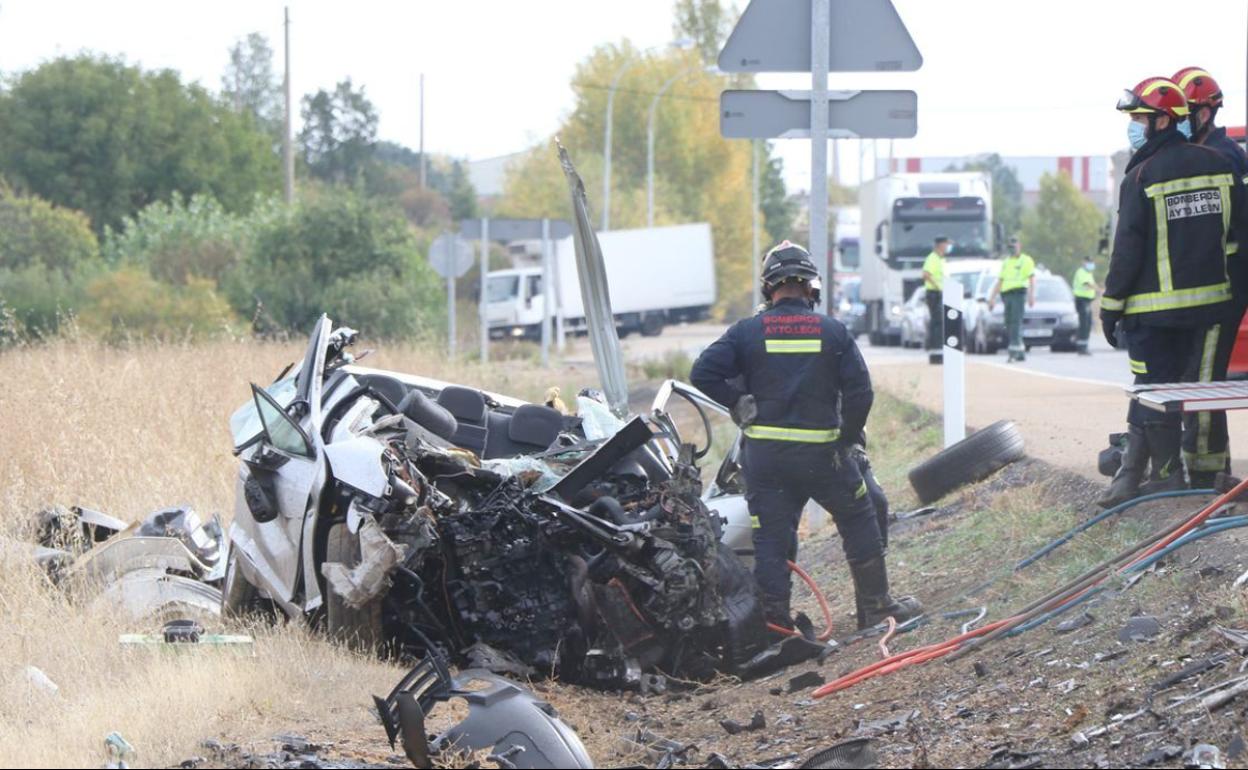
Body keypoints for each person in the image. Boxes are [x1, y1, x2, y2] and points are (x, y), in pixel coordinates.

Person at [690, 241, 922, 630]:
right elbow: (861, 392)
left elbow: (702, 373)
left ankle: (775, 625)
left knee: (771, 539)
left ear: (769, 288)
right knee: (860, 517)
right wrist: (847, 438)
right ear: (811, 288)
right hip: (823, 458)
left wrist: (736, 400)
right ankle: (877, 610)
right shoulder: (832, 332)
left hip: (766, 461)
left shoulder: (746, 333)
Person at [1098, 76, 1246, 508]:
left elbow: (1126, 251)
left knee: (1152, 389)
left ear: (1163, 122)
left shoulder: (1141, 174)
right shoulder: (1220, 166)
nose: (1136, 128)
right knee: (1200, 389)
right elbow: (1237, 235)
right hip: (1209, 307)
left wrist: (1110, 308)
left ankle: (1165, 477)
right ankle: (1193, 474)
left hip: (1152, 313)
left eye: (1141, 120)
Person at [1173, 67, 1248, 487]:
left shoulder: (1226, 158)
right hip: (1207, 282)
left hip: (1225, 283)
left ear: (1206, 113)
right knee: (1199, 374)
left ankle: (1205, 471)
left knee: (1204, 376)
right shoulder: (1205, 155)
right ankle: (1212, 464)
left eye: (1188, 111)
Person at [988, 237, 1037, 362]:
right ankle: (1020, 351)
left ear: (1019, 245)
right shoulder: (1006, 262)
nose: (1012, 249)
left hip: (1018, 294)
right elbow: (1000, 280)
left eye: (1014, 246)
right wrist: (992, 298)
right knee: (1009, 323)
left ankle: (1013, 352)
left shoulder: (1025, 260)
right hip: (1006, 295)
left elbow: (1031, 278)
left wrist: (1032, 295)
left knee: (1015, 323)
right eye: (1010, 247)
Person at [922, 236, 952, 357]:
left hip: (940, 293)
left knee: (939, 321)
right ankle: (935, 346)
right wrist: (938, 287)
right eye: (946, 244)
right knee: (937, 321)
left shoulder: (941, 259)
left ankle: (935, 344)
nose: (948, 247)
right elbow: (926, 274)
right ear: (940, 245)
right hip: (934, 293)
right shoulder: (932, 258)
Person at [1072, 258, 1098, 356]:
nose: (1091, 265)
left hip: (1087, 301)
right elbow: (1087, 284)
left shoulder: (1088, 273)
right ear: (1084, 263)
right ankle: (1081, 348)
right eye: (1089, 263)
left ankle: (1084, 346)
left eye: (1092, 263)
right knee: (1084, 324)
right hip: (1081, 300)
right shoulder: (1081, 272)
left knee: (1087, 324)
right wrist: (1099, 290)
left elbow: (1092, 284)